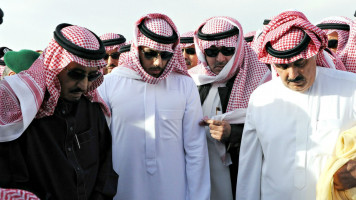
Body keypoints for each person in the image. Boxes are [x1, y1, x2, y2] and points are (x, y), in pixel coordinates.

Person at [236, 10, 356, 200]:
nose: (293, 74)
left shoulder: (351, 88)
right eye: (282, 66)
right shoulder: (261, 98)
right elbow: (249, 170)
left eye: (300, 63)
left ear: (315, 54)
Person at [98, 13, 210, 200]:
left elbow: (196, 149)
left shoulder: (184, 85)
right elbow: (99, 149)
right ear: (137, 48)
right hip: (122, 190)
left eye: (165, 55)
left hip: (174, 190)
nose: (158, 62)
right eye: (150, 54)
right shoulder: (109, 84)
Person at [0, 23, 118, 199]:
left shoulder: (92, 108)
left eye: (91, 75)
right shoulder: (22, 108)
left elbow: (105, 168)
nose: (85, 86)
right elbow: (13, 178)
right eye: (76, 74)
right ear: (54, 66)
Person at [189, 16, 271, 200]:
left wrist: (233, 133)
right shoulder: (191, 81)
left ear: (238, 48)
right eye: (212, 52)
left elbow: (272, 132)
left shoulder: (260, 81)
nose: (220, 58)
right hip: (199, 171)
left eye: (227, 50)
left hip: (237, 173)